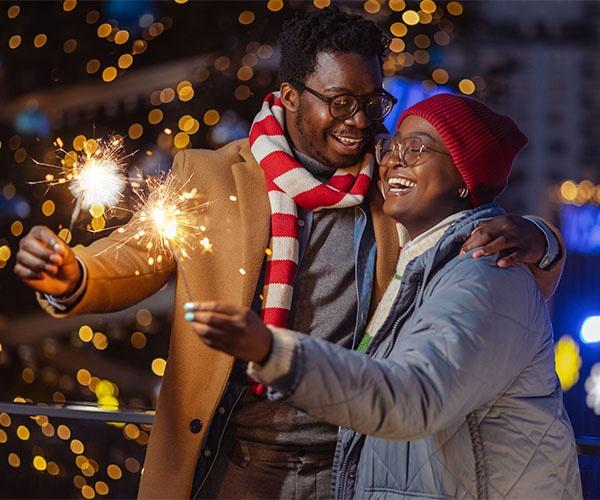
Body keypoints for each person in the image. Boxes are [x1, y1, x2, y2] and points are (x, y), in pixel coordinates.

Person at [15, 8, 565, 500]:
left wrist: (542, 238)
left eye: (372, 102)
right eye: (340, 102)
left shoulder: (394, 185)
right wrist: (72, 274)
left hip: (352, 464)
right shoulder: (211, 178)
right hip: (236, 458)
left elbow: (470, 234)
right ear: (290, 97)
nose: (358, 120)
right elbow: (134, 255)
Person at [187, 93, 582, 498]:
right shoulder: (419, 264)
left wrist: (274, 352)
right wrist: (545, 240)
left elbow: (414, 396)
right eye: (391, 147)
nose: (394, 160)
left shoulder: (484, 273)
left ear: (466, 178)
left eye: (417, 148)